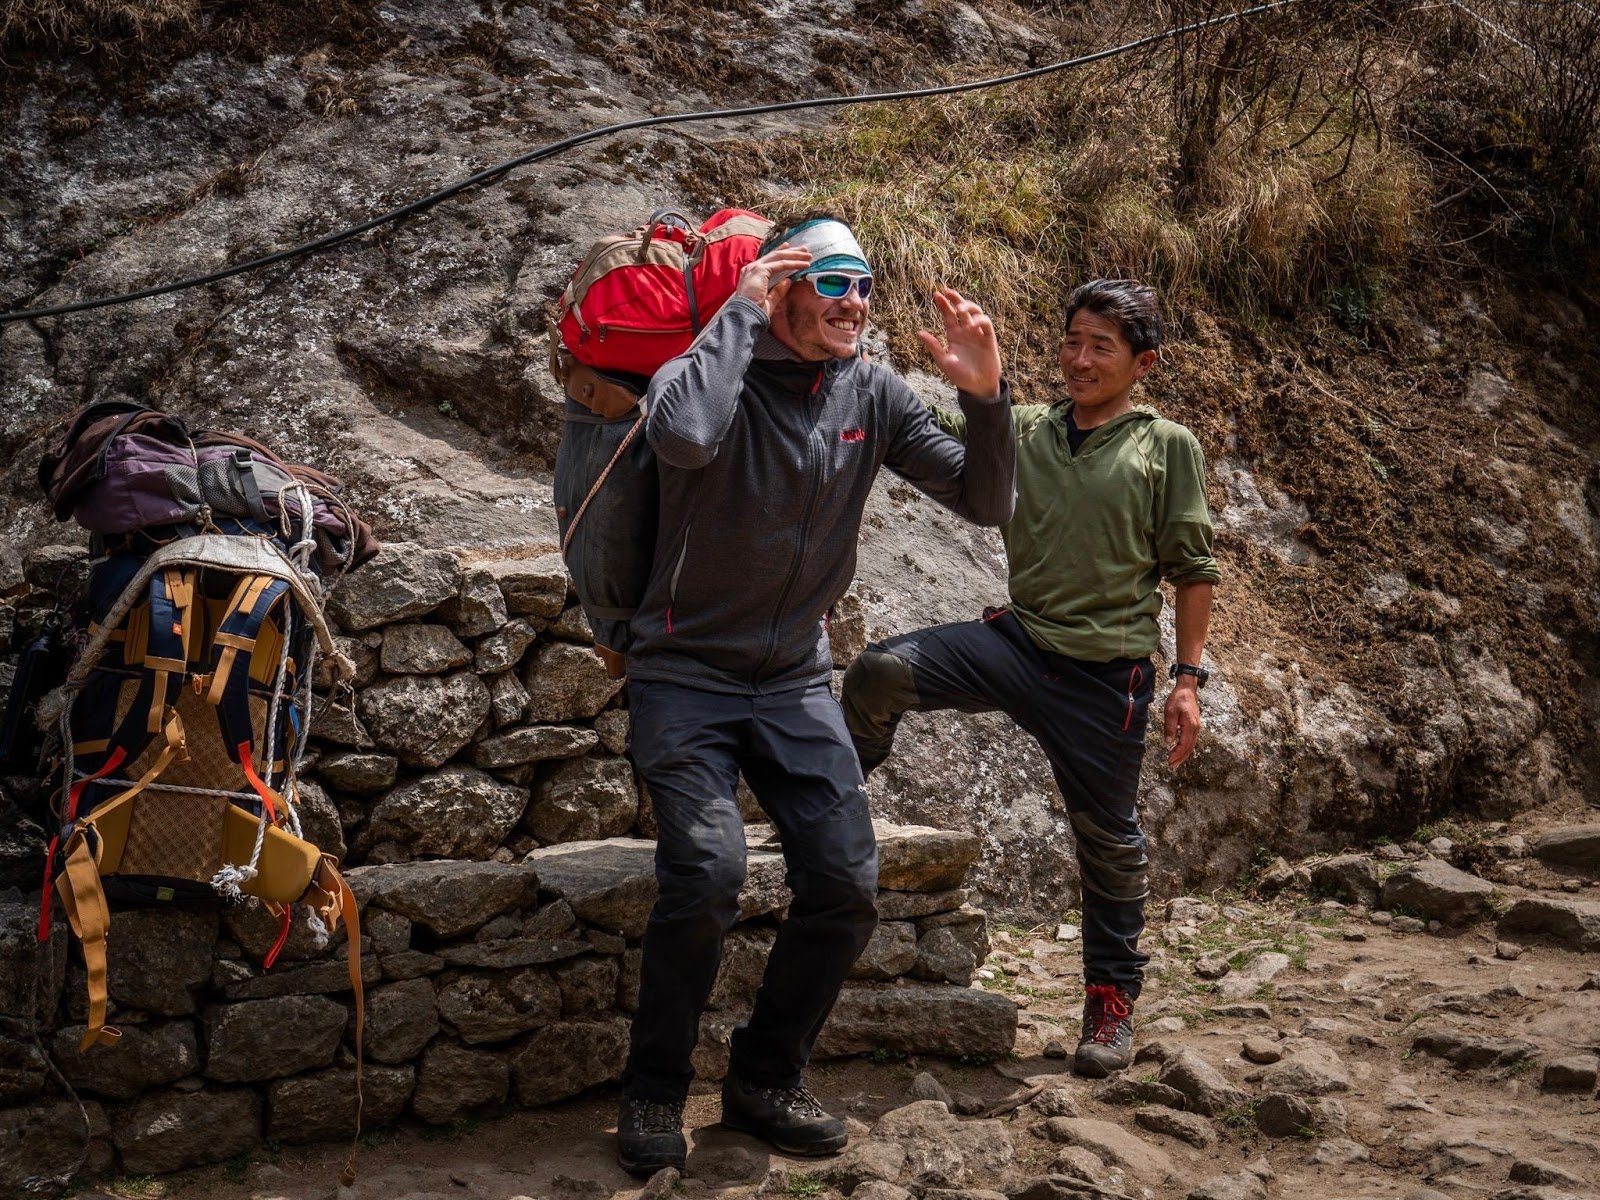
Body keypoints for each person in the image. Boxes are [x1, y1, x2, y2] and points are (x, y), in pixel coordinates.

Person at [615, 217, 1017, 1174]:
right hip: (684, 673)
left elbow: (988, 500)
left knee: (845, 881)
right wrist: (738, 316)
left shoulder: (871, 391)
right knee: (706, 874)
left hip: (794, 677)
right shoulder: (704, 372)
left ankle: (763, 1076)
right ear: (782, 287)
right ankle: (654, 1089)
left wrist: (987, 400)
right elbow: (682, 437)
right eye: (831, 280)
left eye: (865, 284)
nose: (856, 300)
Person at [840, 278, 1219, 1080]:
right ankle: (827, 797)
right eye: (1071, 340)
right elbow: (923, 426)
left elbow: (1193, 571)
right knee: (878, 673)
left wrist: (1186, 680)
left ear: (1142, 363)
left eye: (1100, 347)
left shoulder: (1166, 447)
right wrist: (954, 383)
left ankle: (1109, 1003)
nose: (1078, 360)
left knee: (1107, 842)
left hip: (1103, 679)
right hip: (1016, 645)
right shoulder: (1025, 428)